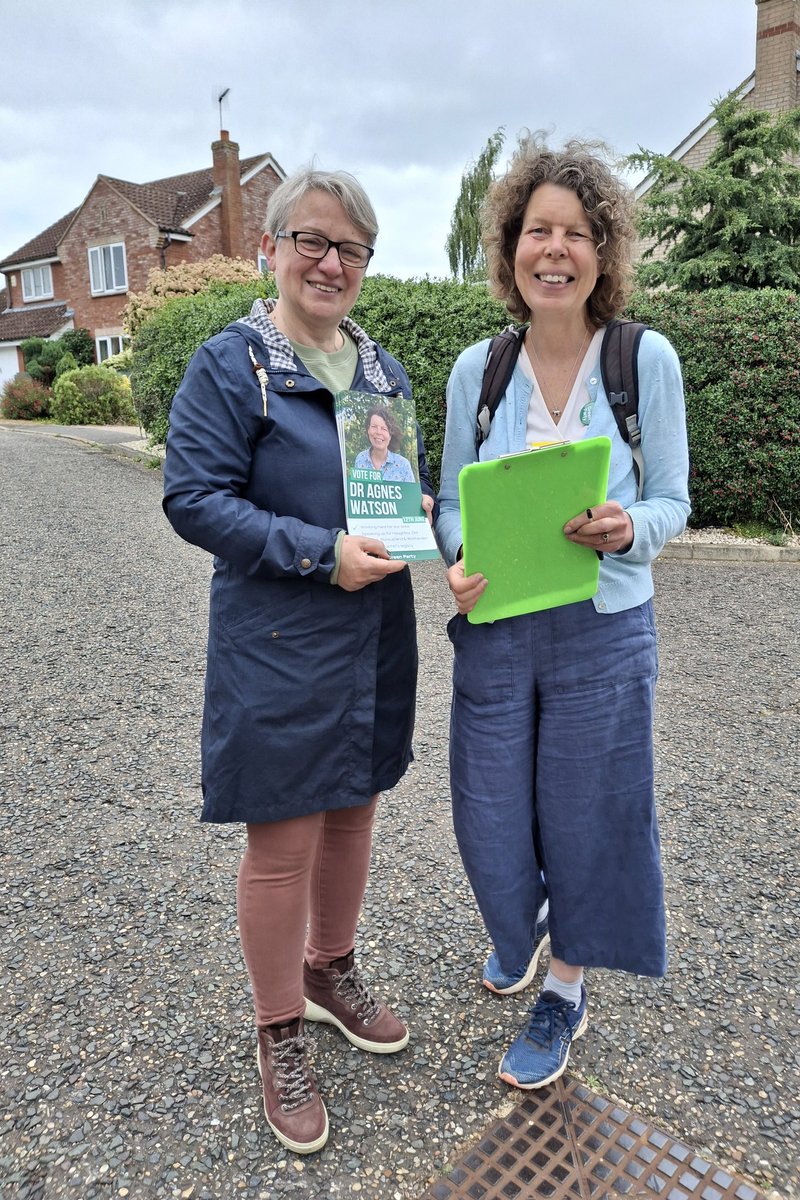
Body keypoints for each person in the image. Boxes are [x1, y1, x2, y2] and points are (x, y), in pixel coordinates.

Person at [163, 167, 435, 1154]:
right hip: (279, 635)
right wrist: (322, 553)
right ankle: (279, 1025)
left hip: (374, 630)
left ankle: (330, 967)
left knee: (355, 805)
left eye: (351, 248)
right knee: (283, 841)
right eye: (312, 241)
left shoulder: (381, 370)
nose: (331, 262)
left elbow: (393, 485)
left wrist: (420, 512)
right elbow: (195, 498)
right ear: (270, 250)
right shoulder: (231, 366)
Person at [434, 135, 691, 1090]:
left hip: (604, 630)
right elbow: (450, 499)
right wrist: (457, 555)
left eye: (576, 233)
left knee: (588, 816)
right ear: (510, 249)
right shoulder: (478, 370)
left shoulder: (641, 359)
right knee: (489, 816)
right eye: (537, 230)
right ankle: (520, 927)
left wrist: (629, 529)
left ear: (602, 251)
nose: (555, 249)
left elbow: (672, 498)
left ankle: (565, 988)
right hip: (499, 627)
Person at [354, 405, 416, 481]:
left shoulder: (403, 465)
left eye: (384, 429)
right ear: (368, 430)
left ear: (390, 435)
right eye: (374, 426)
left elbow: (411, 489)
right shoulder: (360, 459)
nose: (378, 432)